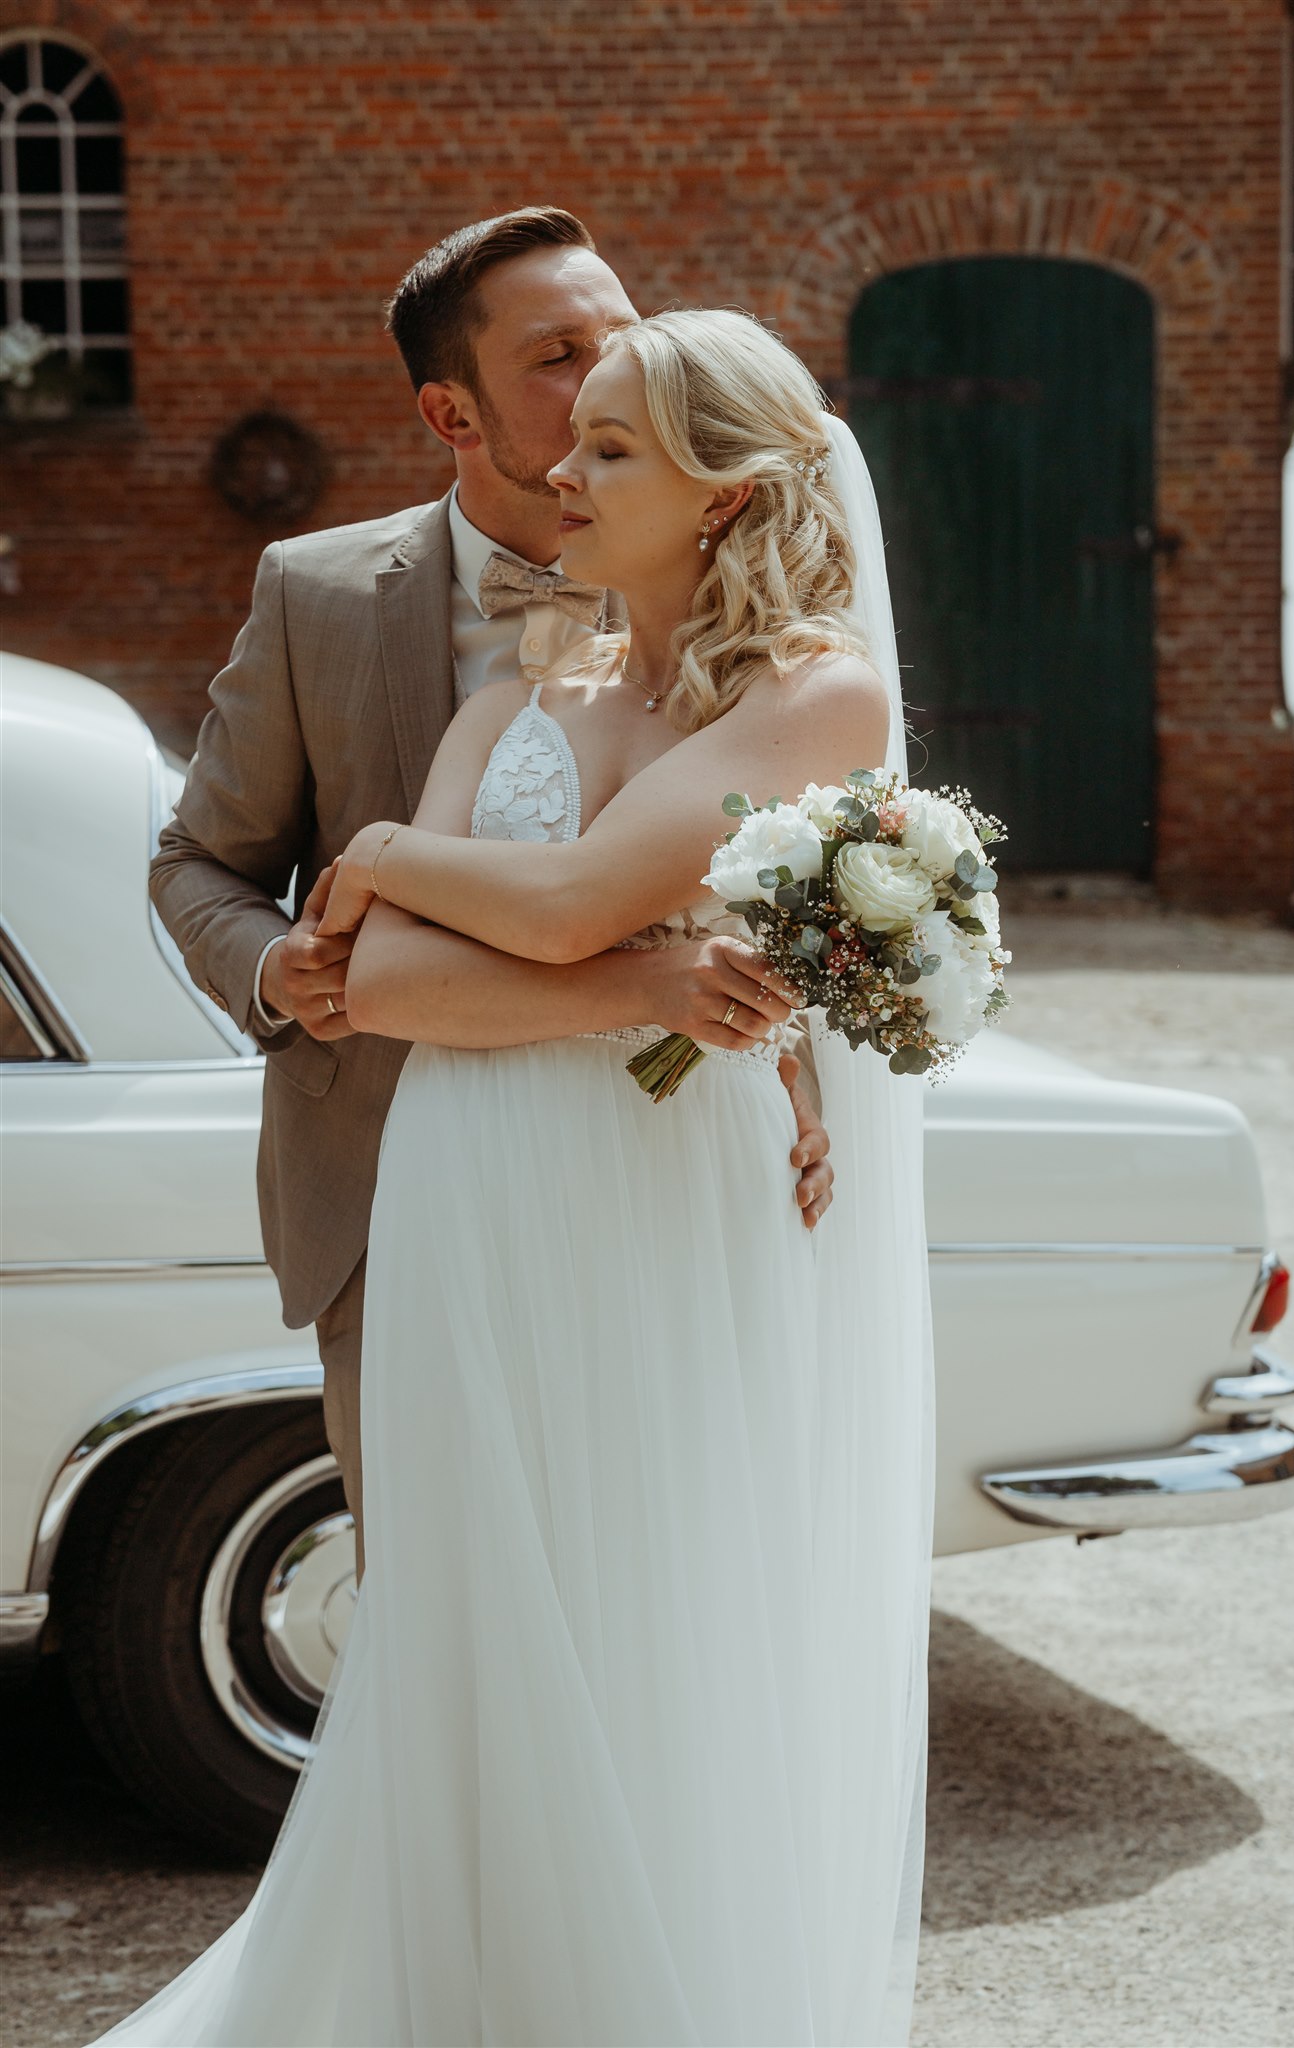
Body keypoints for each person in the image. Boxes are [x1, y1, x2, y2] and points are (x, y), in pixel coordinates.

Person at [92, 306, 935, 2048]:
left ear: (721, 492)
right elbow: (391, 988)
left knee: (658, 1600)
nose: (563, 472)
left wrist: (387, 849)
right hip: (468, 1191)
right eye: (577, 434)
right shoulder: (513, 697)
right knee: (471, 1609)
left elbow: (557, 903)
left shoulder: (818, 693)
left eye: (612, 447)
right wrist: (641, 984)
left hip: (667, 1199)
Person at [149, 208, 835, 1588]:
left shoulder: (765, 632)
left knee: (672, 1575)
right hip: (396, 1178)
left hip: (672, 1171)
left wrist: (808, 1065)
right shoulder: (318, 597)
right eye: (556, 355)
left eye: (622, 334)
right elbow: (196, 862)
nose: (604, 374)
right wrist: (280, 968)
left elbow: (793, 878)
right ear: (449, 413)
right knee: (446, 1606)